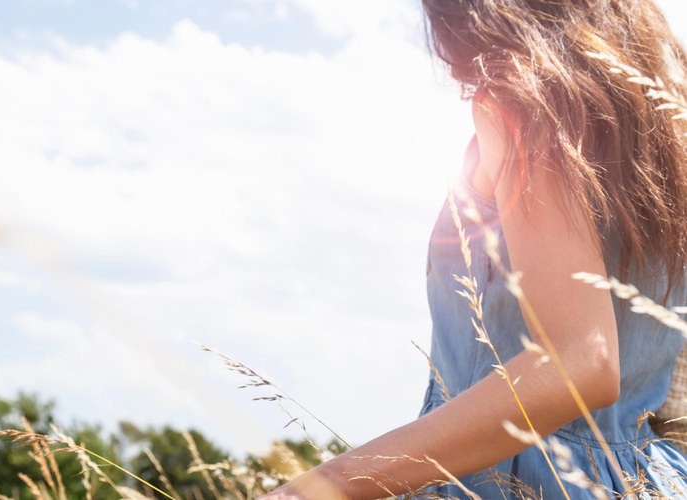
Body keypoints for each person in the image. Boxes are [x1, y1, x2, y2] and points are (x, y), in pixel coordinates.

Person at [260, 0, 687, 498]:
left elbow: (580, 362)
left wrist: (326, 485)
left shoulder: (522, 104)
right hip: (647, 478)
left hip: (513, 479)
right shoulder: (665, 121)